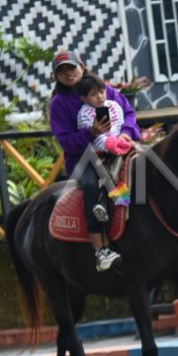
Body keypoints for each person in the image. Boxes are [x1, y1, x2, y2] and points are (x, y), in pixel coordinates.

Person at [49, 50, 141, 271]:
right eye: (62, 70)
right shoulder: (59, 103)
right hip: (84, 159)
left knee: (153, 165)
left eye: (72, 67)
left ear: (82, 66)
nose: (68, 73)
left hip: (119, 148)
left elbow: (129, 114)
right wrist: (91, 133)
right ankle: (101, 250)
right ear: (56, 76)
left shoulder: (104, 90)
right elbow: (66, 141)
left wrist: (127, 133)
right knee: (91, 184)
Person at [75, 73, 134, 156]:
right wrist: (111, 144)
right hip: (99, 152)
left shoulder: (114, 105)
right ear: (84, 98)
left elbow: (120, 124)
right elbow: (96, 139)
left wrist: (123, 136)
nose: (99, 96)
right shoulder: (84, 114)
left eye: (102, 92)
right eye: (93, 94)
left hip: (119, 142)